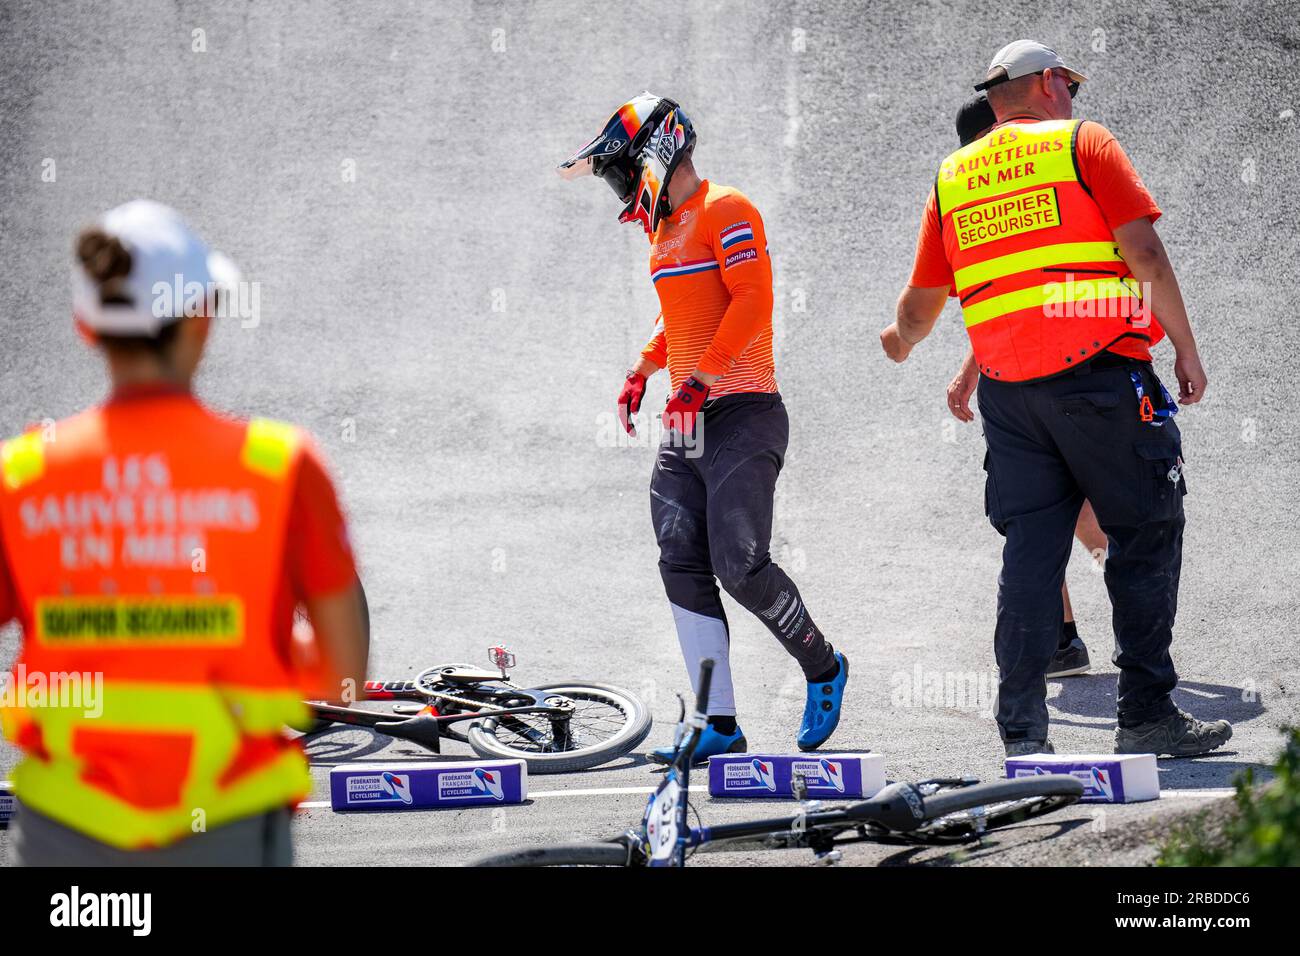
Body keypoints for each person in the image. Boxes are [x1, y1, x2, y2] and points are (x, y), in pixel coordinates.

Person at [880, 41, 1232, 757]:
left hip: (1012, 398)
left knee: (1032, 554)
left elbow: (927, 305)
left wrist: (899, 341)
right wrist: (1185, 348)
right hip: (1103, 378)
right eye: (1067, 82)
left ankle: (1023, 737)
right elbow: (1145, 257)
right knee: (1146, 532)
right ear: (1046, 83)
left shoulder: (952, 175)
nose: (1071, 93)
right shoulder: (1083, 142)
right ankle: (1146, 715)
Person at [0, 200, 369, 864]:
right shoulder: (278, 465)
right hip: (226, 828)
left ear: (87, 327)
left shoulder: (21, 474)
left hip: (65, 837)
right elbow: (340, 678)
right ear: (202, 316)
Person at [559, 93, 848, 762]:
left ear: (654, 156)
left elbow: (751, 299)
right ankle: (719, 722)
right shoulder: (661, 233)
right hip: (690, 418)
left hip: (744, 411)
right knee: (680, 561)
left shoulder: (729, 209)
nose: (619, 191)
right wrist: (643, 368)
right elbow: (681, 316)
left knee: (740, 566)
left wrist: (701, 380)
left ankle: (824, 665)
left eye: (618, 173)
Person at [947, 92, 1110, 679]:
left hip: (1055, 377)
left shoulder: (1016, 193)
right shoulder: (997, 195)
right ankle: (1068, 638)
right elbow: (1009, 307)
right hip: (1029, 380)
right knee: (1043, 517)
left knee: (1059, 515)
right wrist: (972, 370)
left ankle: (1114, 609)